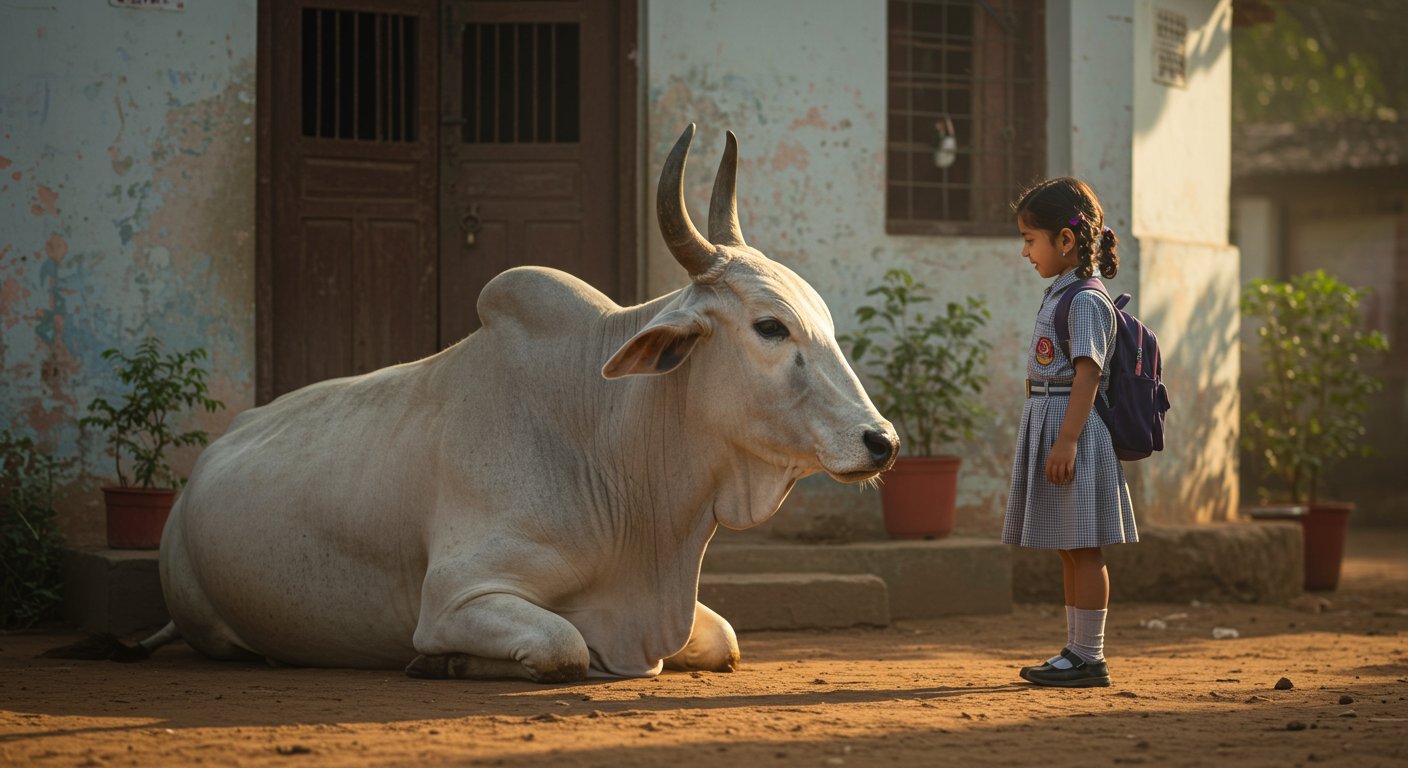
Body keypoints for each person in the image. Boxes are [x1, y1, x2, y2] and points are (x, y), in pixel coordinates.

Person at [1004, 177, 1136, 688]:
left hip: (1071, 426)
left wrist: (1067, 441)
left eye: (1030, 239)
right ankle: (1077, 651)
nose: (1025, 251)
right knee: (1069, 544)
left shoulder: (1083, 299)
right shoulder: (1062, 293)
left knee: (1084, 547)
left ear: (1065, 240)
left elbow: (1089, 372)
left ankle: (1089, 656)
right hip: (1056, 420)